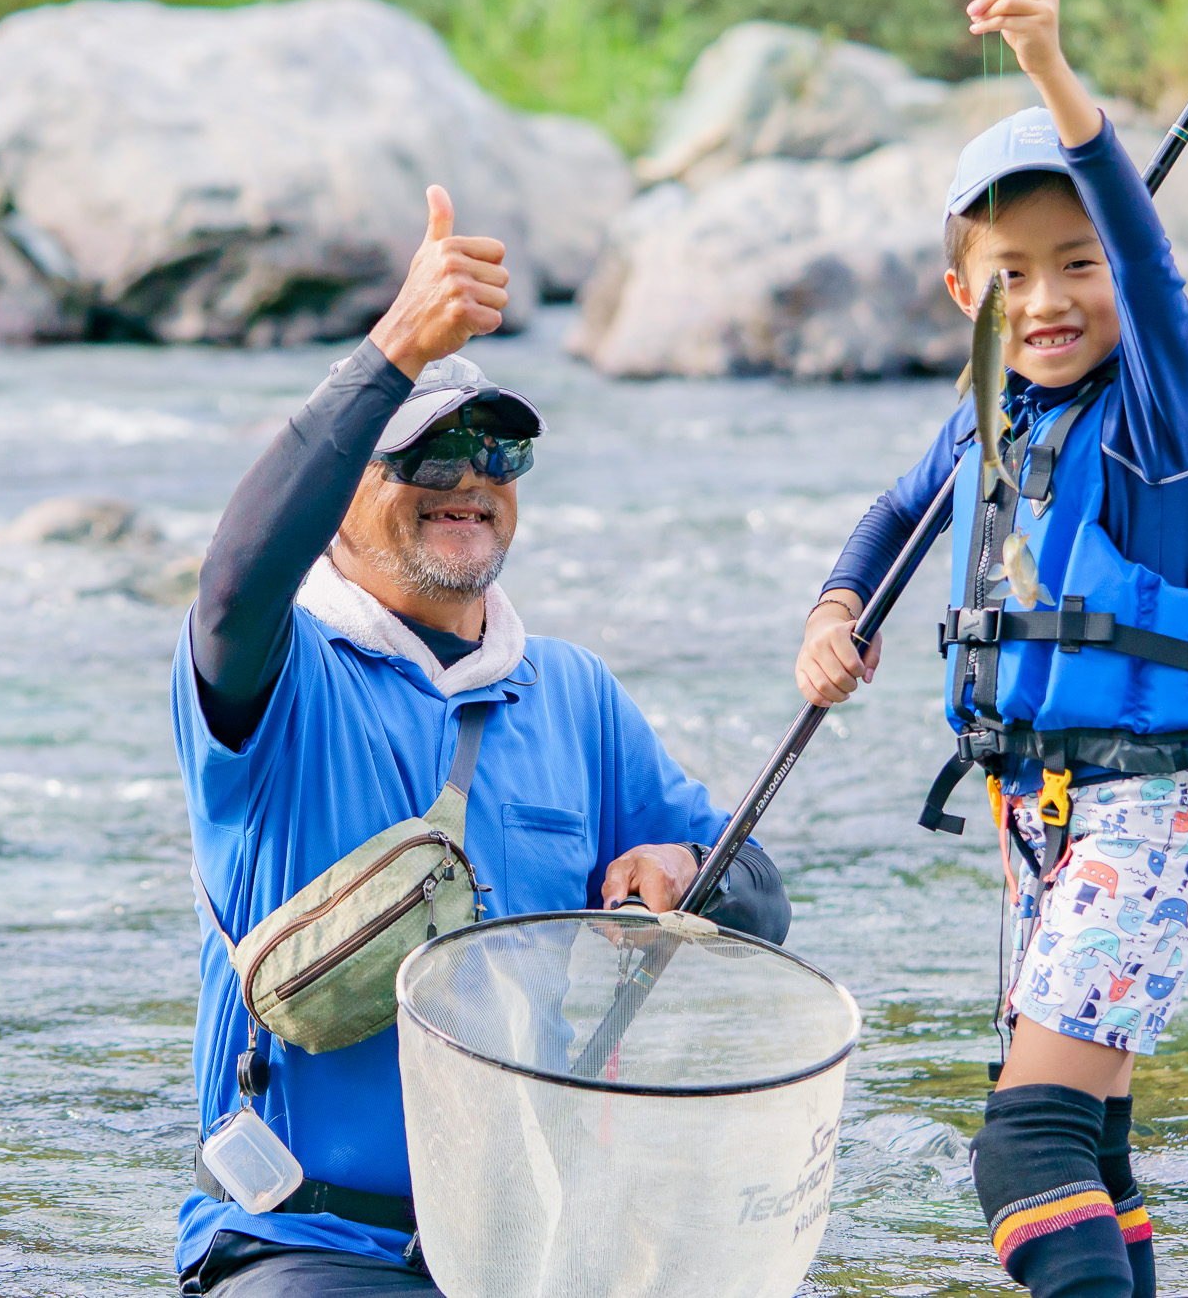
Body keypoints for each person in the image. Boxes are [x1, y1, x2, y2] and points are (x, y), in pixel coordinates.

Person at [793, 0, 1188, 1298]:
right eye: (1012, 274)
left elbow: (1147, 267)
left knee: (1021, 1141)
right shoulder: (987, 412)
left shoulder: (1158, 419)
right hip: (1045, 808)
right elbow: (893, 510)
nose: (1047, 299)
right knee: (1088, 1129)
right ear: (960, 290)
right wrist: (836, 610)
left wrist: (1052, 77)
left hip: (1153, 810)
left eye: (1075, 262)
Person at [174, 185, 790, 1296]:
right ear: (341, 492)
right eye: (429, 456)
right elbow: (228, 585)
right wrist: (397, 345)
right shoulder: (279, 676)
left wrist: (688, 872)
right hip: (310, 1249)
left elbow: (760, 894)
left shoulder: (575, 694)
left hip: (540, 1247)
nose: (472, 482)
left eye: (500, 456)